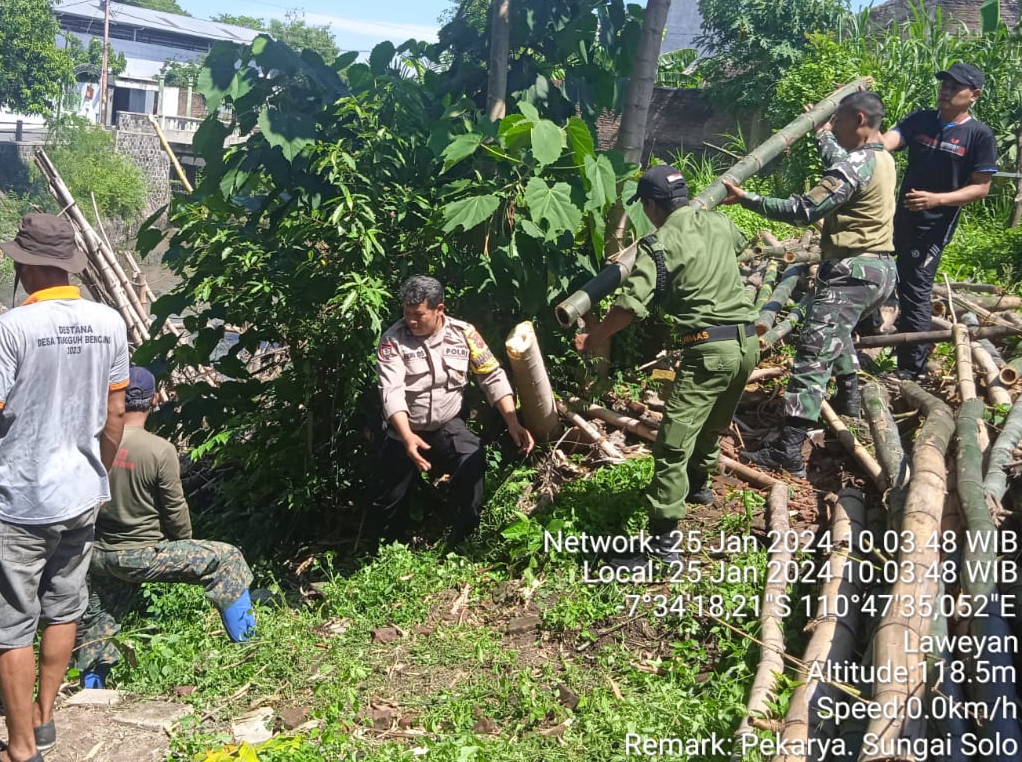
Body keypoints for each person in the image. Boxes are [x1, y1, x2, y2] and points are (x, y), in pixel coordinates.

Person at [0, 213, 128, 762]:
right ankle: (44, 718)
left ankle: (22, 748)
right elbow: (116, 413)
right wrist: (95, 468)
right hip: (82, 495)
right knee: (63, 608)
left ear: (28, 266)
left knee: (12, 624)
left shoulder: (13, 328)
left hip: (24, 501)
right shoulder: (108, 321)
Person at [576, 166, 758, 565]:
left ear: (654, 206)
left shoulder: (658, 244)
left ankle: (662, 545)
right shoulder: (720, 222)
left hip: (709, 349)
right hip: (747, 345)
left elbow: (628, 306)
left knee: (673, 443)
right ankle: (699, 487)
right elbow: (742, 245)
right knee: (713, 422)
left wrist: (595, 337)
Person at [722, 90, 897, 475]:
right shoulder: (880, 158)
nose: (834, 125)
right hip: (879, 272)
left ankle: (788, 450)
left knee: (811, 357)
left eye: (838, 120)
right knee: (840, 332)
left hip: (853, 272)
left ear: (860, 121)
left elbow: (805, 210)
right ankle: (850, 403)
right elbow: (842, 163)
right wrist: (822, 135)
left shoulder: (856, 165)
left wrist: (747, 198)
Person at [74, 367, 256, 688]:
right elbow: (176, 513)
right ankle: (251, 647)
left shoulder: (91, 443)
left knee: (99, 619)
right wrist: (181, 544)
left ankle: (91, 690)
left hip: (97, 556)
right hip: (143, 555)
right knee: (227, 559)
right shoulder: (159, 449)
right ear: (154, 400)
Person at [367, 275, 535, 545]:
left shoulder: (464, 334)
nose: (411, 320)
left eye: (418, 315)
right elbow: (391, 391)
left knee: (472, 455)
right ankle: (385, 555)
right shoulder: (392, 341)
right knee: (389, 502)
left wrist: (512, 422)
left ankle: (462, 539)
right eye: (407, 313)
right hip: (404, 430)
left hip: (446, 423)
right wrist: (408, 437)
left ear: (439, 310)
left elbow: (491, 375)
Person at [881, 63, 997, 378]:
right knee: (880, 277)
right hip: (897, 219)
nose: (945, 91)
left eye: (955, 87)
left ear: (974, 95)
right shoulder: (921, 121)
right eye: (944, 84)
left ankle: (911, 368)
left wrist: (938, 199)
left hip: (933, 227)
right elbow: (884, 144)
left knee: (916, 290)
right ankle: (877, 339)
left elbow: (981, 187)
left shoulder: (979, 136)